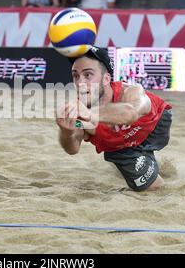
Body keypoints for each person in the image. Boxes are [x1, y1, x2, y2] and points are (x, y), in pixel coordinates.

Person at [55, 47, 172, 192]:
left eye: (88, 75)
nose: (80, 83)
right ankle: (143, 161)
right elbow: (72, 148)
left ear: (106, 79)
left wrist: (90, 114)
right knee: (152, 188)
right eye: (76, 76)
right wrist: (66, 131)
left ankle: (146, 158)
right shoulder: (80, 112)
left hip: (156, 126)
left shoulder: (130, 92)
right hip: (122, 148)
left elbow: (131, 113)